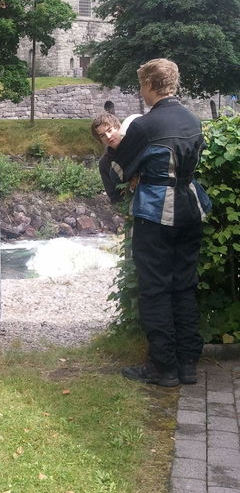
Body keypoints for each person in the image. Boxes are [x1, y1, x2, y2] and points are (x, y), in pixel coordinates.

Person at [103, 59, 211, 387]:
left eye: (141, 85)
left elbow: (119, 171)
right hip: (192, 208)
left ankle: (163, 367)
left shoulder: (145, 126)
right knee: (184, 283)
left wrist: (133, 171)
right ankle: (188, 364)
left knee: (156, 288)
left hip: (156, 213)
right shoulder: (193, 119)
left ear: (150, 83)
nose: (141, 91)